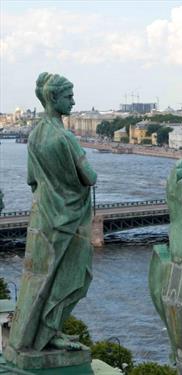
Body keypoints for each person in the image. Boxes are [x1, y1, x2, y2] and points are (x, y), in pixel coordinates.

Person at [8, 72, 97, 353]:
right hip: (69, 219)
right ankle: (49, 332)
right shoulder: (65, 137)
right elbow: (90, 177)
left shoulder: (34, 135)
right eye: (69, 96)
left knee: (39, 276)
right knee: (70, 276)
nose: (73, 101)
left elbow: (32, 179)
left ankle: (26, 338)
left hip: (43, 214)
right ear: (53, 98)